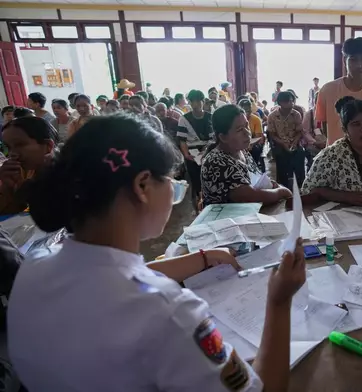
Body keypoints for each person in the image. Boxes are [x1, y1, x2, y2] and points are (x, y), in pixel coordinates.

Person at [9, 114, 305, 391]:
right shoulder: (171, 312)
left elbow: (113, 278)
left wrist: (202, 257)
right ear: (142, 186)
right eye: (172, 182)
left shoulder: (35, 265)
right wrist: (279, 302)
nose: (174, 192)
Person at [302, 97, 362, 205]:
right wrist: (345, 196)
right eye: (356, 124)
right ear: (345, 130)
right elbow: (308, 191)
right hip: (343, 219)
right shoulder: (331, 156)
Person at [201, 104, 291, 205]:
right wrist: (281, 192)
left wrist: (274, 185)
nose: (247, 132)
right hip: (225, 219)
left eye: (246, 126)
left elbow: (257, 179)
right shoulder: (216, 161)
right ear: (223, 137)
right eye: (239, 130)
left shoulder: (241, 151)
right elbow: (249, 196)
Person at [316, 37, 362, 146]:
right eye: (353, 59)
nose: (359, 65)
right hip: (334, 156)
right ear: (344, 60)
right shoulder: (327, 90)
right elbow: (325, 127)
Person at [0, 117, 56, 214]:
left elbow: (51, 218)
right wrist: (8, 188)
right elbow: (8, 218)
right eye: (8, 147)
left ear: (48, 146)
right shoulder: (24, 171)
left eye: (20, 145)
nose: (11, 154)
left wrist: (24, 191)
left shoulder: (66, 175)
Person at [177, 89, 214, 210]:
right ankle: (198, 208)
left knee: (210, 180)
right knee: (196, 182)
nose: (196, 104)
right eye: (193, 102)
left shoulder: (211, 117)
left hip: (209, 151)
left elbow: (215, 138)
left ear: (203, 102)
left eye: (198, 101)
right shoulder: (184, 119)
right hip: (192, 154)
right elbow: (182, 140)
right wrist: (186, 155)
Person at [267, 91, 306, 188]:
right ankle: (283, 186)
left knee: (300, 153)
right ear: (280, 103)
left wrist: (295, 142)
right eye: (288, 101)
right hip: (280, 143)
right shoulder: (272, 116)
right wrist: (283, 143)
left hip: (294, 142)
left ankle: (301, 185)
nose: (291, 104)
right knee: (280, 156)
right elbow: (272, 134)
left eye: (292, 101)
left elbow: (299, 132)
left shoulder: (296, 114)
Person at [238, 98, 266, 173]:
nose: (247, 110)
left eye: (248, 107)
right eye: (244, 108)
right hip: (240, 143)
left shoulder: (256, 119)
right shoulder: (235, 120)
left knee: (255, 150)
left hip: (253, 142)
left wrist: (250, 145)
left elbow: (258, 136)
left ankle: (254, 169)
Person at [302, 92, 326, 172]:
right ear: (315, 101)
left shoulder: (331, 113)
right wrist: (315, 142)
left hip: (327, 145)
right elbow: (305, 132)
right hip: (313, 146)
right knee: (313, 167)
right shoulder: (310, 114)